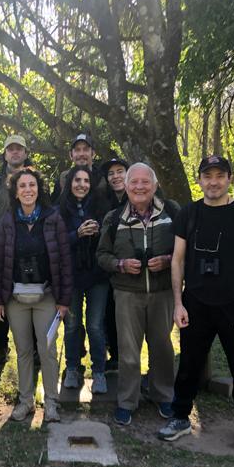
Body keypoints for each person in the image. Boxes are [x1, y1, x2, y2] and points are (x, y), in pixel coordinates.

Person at [157, 155, 234, 453]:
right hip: (196, 302)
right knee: (189, 365)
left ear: (230, 178)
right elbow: (177, 260)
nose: (214, 182)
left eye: (220, 175)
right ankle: (180, 417)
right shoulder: (188, 214)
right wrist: (178, 303)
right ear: (199, 180)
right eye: (208, 176)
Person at [97, 163, 179, 425]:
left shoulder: (172, 213)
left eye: (145, 182)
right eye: (134, 182)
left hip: (162, 291)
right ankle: (127, 401)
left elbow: (185, 250)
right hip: (127, 293)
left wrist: (167, 260)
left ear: (155, 185)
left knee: (162, 347)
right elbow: (102, 255)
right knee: (129, 351)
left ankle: (163, 395)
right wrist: (120, 264)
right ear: (126, 186)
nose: (139, 187)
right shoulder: (113, 218)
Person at [0, 167, 72, 422]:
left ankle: (51, 402)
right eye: (22, 186)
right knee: (23, 350)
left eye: (32, 185)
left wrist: (64, 300)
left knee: (46, 350)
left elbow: (64, 261)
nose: (28, 190)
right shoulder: (7, 221)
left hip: (46, 296)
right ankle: (25, 401)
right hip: (16, 299)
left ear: (39, 189)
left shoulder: (53, 218)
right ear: (15, 192)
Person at [58, 164, 111, 393]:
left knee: (95, 326)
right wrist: (77, 234)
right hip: (71, 276)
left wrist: (98, 233)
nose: (82, 185)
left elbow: (111, 242)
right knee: (72, 325)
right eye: (77, 180)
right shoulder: (59, 209)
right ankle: (72, 368)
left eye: (86, 181)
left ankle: (99, 372)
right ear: (70, 183)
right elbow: (56, 243)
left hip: (97, 275)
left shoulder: (102, 207)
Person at [0, 134, 33, 368]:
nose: (14, 152)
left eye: (19, 149)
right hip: (2, 249)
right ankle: (1, 348)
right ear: (4, 154)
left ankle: (34, 348)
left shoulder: (34, 179)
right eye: (10, 149)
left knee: (32, 296)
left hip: (30, 249)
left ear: (25, 153)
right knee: (0, 297)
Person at [100, 156, 131, 372]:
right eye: (111, 173)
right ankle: (116, 357)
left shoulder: (139, 197)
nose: (115, 176)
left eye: (120, 171)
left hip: (136, 271)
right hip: (111, 268)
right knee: (110, 314)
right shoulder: (104, 202)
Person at [50, 133, 108, 205]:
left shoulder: (103, 178)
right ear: (71, 155)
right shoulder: (63, 178)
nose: (81, 154)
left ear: (93, 154)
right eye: (77, 150)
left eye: (85, 149)